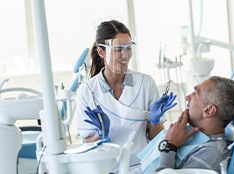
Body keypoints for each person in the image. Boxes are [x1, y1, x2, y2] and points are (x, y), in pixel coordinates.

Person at [75, 20, 176, 173]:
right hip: (107, 169)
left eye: (128, 48)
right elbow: (87, 144)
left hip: (143, 167)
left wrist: (155, 121)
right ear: (101, 52)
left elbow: (155, 137)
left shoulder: (145, 83)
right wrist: (100, 135)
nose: (125, 55)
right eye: (118, 49)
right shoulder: (87, 91)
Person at [155, 76, 234, 173]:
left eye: (195, 94)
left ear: (208, 110)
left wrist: (169, 145)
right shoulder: (193, 136)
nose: (187, 97)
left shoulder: (210, 155)